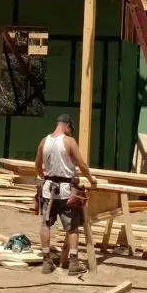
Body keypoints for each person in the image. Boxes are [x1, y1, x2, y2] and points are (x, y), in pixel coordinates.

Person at [33, 114, 95, 275]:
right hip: (67, 191)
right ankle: (73, 263)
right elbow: (82, 164)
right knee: (73, 227)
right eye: (70, 129)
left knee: (45, 224)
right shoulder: (69, 141)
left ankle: (46, 261)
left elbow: (37, 166)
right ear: (67, 126)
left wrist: (45, 177)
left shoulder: (43, 141)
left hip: (48, 189)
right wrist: (91, 179)